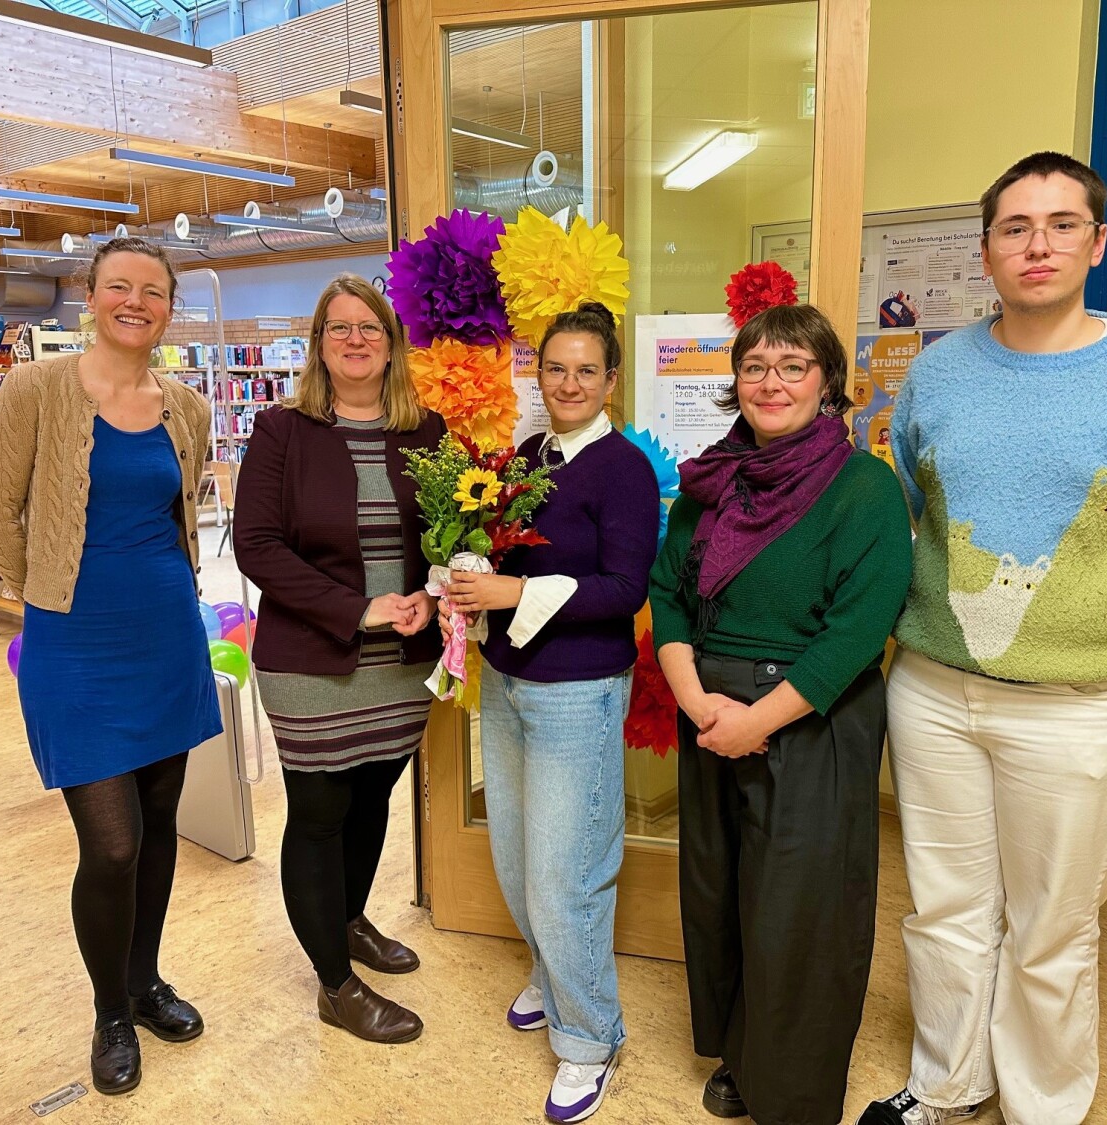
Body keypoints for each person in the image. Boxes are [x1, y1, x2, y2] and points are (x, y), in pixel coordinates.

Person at [860, 152, 1107, 1125]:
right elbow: (906, 512)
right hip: (937, 693)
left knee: (1051, 932)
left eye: (1063, 224)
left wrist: (1097, 618)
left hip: (1080, 712)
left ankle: (1042, 1106)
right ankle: (948, 1083)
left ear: (1096, 242)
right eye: (1015, 227)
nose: (1038, 244)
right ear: (984, 251)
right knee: (943, 913)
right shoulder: (939, 372)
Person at [647, 303, 912, 1125]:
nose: (772, 382)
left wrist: (756, 722)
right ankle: (736, 1051)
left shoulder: (864, 486)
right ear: (736, 381)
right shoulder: (710, 481)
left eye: (793, 366)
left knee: (799, 905)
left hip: (812, 715)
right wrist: (696, 702)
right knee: (722, 890)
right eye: (756, 365)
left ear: (827, 380)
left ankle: (790, 1091)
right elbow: (668, 593)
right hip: (711, 708)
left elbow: (858, 630)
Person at [0, 237, 221, 1097]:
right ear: (90, 294)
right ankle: (110, 1009)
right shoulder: (35, 389)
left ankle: (148, 981)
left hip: (165, 637)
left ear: (168, 306)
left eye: (152, 291)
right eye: (119, 285)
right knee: (111, 844)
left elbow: (180, 512)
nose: (134, 301)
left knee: (158, 823)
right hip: (74, 645)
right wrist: (48, 597)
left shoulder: (184, 406)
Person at [442, 302, 660, 1123]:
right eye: (556, 368)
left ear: (610, 380)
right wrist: (468, 573)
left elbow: (623, 590)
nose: (569, 383)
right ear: (540, 373)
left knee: (566, 872)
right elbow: (504, 552)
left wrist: (513, 591)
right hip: (507, 682)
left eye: (586, 370)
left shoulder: (624, 469)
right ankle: (551, 969)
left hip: (579, 693)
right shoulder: (529, 455)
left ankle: (588, 1038)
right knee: (517, 853)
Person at [233, 274, 443, 1045]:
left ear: (391, 345)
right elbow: (255, 544)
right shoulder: (282, 430)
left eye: (371, 327)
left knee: (373, 792)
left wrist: (431, 589)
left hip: (403, 658)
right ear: (320, 344)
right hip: (312, 661)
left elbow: (448, 534)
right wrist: (353, 609)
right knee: (320, 812)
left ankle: (349, 920)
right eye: (339, 327)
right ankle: (333, 982)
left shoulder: (427, 431)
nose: (356, 339)